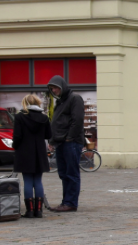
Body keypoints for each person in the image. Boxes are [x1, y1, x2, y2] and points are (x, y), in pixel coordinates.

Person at [47, 75, 85, 212]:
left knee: (71, 173)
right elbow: (57, 122)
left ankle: (70, 202)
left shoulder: (74, 98)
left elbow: (78, 120)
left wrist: (69, 138)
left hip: (71, 142)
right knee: (63, 173)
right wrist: (53, 141)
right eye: (52, 89)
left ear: (61, 87)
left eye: (56, 88)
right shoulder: (61, 101)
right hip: (62, 142)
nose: (54, 91)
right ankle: (66, 201)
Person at [12, 94, 52, 218]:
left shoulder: (19, 117)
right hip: (39, 151)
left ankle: (29, 211)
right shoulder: (44, 118)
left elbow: (17, 136)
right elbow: (48, 134)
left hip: (24, 151)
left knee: (28, 180)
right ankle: (39, 210)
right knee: (38, 181)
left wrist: (15, 145)